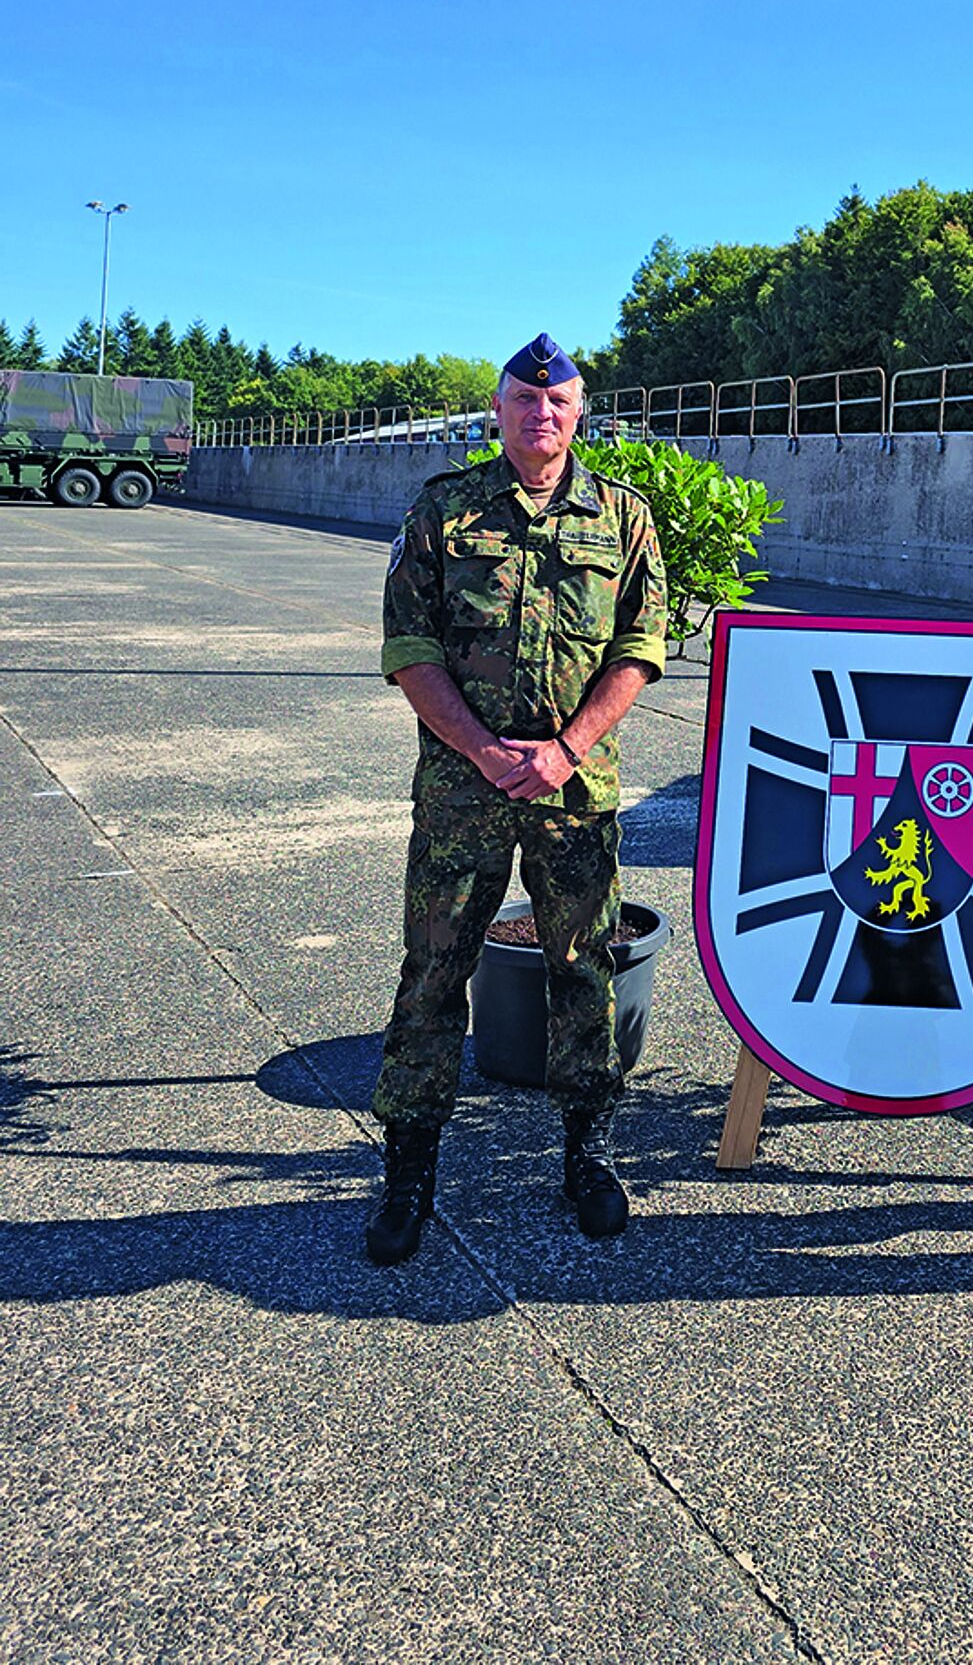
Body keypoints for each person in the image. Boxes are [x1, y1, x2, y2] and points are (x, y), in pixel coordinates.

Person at [364, 333, 667, 1265]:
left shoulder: (624, 518)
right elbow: (408, 648)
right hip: (463, 791)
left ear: (581, 415)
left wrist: (565, 751)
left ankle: (589, 1155)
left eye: (561, 403)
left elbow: (640, 648)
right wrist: (486, 750)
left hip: (574, 794)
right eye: (525, 402)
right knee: (433, 974)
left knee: (584, 970)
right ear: (497, 412)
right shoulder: (445, 512)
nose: (543, 415)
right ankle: (409, 1171)